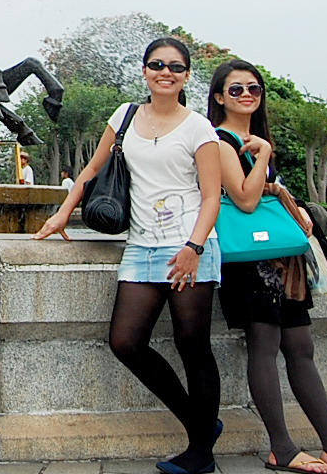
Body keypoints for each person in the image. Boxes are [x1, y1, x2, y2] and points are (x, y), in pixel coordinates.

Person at [36, 37, 224, 474]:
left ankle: (201, 453)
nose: (166, 72)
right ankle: (201, 424)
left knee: (192, 345)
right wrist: (64, 213)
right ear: (144, 71)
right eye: (157, 64)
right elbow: (92, 169)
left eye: (176, 67)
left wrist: (194, 248)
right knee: (125, 342)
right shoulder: (124, 116)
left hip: (189, 244)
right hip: (141, 244)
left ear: (186, 76)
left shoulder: (199, 128)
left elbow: (212, 197)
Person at [208, 60, 327, 474]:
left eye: (253, 89)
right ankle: (282, 448)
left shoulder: (253, 138)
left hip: (280, 261)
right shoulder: (219, 141)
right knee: (265, 346)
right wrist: (267, 157)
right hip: (248, 262)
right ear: (219, 97)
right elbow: (244, 199)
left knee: (301, 348)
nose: (247, 95)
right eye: (236, 90)